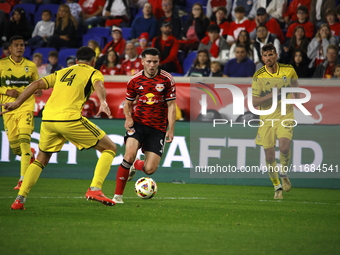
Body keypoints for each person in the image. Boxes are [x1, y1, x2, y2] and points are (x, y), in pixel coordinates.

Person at [2, 46, 118, 210]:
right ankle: (95, 189)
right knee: (110, 147)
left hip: (48, 119)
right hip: (69, 118)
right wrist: (103, 102)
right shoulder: (94, 72)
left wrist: (16, 103)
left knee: (41, 158)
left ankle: (19, 200)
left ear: (77, 61)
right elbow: (98, 84)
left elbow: (36, 84)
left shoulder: (63, 72)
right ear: (93, 61)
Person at [112, 47, 176, 204]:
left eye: (155, 62)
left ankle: (136, 165)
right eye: (149, 61)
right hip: (138, 123)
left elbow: (172, 106)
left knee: (149, 169)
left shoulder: (167, 79)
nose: (152, 65)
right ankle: (117, 196)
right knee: (128, 155)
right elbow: (127, 104)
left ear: (159, 62)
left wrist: (171, 129)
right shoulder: (134, 81)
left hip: (158, 128)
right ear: (142, 62)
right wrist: (128, 118)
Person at [252, 43, 299, 199]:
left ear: (276, 55)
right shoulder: (259, 76)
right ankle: (277, 186)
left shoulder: (288, 70)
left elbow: (294, 83)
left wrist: (296, 99)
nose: (268, 58)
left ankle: (284, 173)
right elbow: (254, 102)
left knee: (284, 147)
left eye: (270, 54)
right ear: (262, 57)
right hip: (266, 118)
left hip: (285, 115)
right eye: (265, 55)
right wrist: (271, 95)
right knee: (269, 157)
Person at [0, 35, 39, 190]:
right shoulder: (2, 65)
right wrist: (6, 90)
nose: (20, 47)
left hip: (25, 107)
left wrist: (38, 90)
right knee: (16, 148)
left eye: (22, 45)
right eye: (16, 45)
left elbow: (36, 84)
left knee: (24, 141)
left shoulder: (31, 66)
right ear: (10, 48)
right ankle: (30, 153)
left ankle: (22, 179)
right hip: (8, 109)